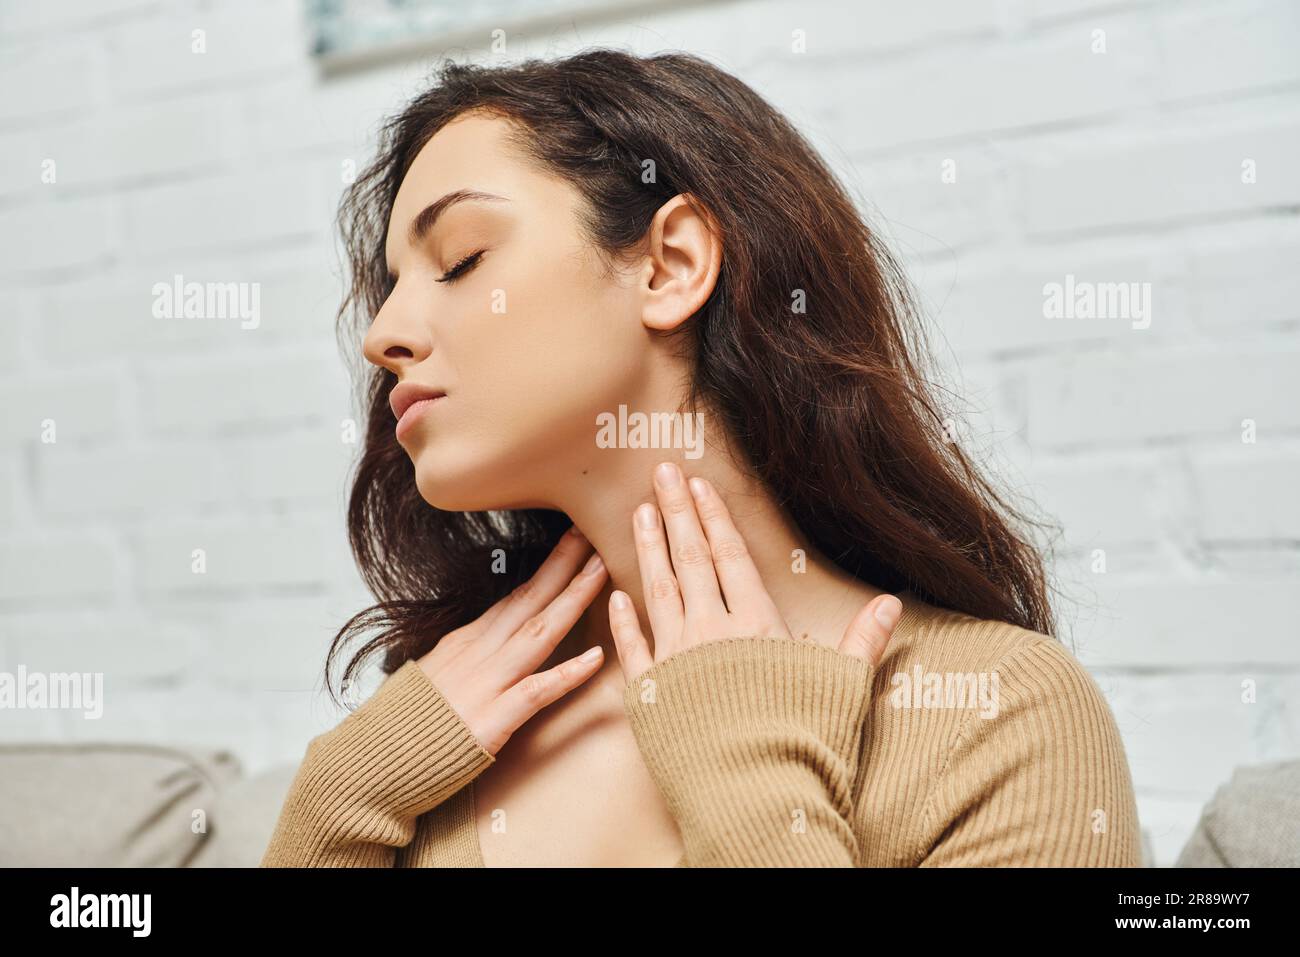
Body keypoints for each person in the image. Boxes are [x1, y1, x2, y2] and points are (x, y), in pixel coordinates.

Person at [261, 50, 1142, 868]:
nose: (382, 338)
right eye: (392, 289)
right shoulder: (437, 731)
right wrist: (336, 806)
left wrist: (747, 785)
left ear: (670, 265)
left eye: (459, 260)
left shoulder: (999, 716)